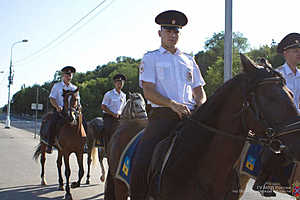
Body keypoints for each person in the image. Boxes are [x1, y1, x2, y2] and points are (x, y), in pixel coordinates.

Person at [130, 10, 207, 199]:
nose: (173, 35)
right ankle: (139, 193)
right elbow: (148, 91)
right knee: (143, 157)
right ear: (160, 33)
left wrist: (202, 106)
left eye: (176, 31)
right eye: (168, 31)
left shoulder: (189, 60)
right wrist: (172, 104)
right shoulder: (151, 58)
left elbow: (199, 91)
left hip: (191, 117)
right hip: (163, 117)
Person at [252, 32, 300, 196]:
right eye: (295, 50)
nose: (299, 53)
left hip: (297, 121)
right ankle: (262, 181)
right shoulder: (277, 76)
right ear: (285, 54)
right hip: (281, 122)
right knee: (279, 147)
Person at [46, 66, 80, 153]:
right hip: (60, 111)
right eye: (67, 75)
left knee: (82, 123)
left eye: (70, 75)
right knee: (52, 123)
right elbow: (52, 98)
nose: (68, 77)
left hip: (72, 111)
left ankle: (84, 143)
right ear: (63, 76)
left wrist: (78, 108)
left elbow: (78, 100)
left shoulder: (74, 88)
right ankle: (49, 144)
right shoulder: (57, 86)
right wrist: (57, 107)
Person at [101, 74, 127, 152]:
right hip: (109, 117)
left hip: (120, 118)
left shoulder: (124, 95)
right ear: (115, 83)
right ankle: (106, 148)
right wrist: (113, 114)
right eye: (118, 83)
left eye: (121, 83)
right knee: (108, 130)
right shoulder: (109, 94)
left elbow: (124, 107)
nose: (120, 85)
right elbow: (103, 106)